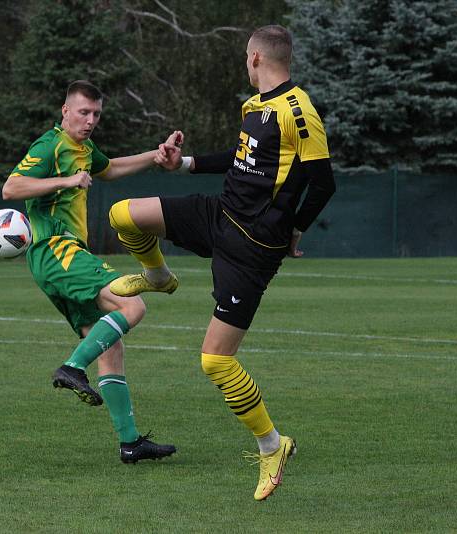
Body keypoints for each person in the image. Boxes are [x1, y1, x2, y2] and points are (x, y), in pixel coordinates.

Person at [107, 25, 336, 499]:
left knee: (215, 360)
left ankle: (272, 445)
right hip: (221, 213)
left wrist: (294, 229)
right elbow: (241, 159)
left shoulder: (299, 110)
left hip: (254, 247)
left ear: (255, 58)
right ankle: (157, 275)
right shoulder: (255, 107)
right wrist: (184, 163)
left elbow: (323, 181)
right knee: (123, 215)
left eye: (244, 58)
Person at [1, 80, 177, 464]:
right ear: (65, 111)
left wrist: (156, 155)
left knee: (110, 345)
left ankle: (130, 443)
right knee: (132, 307)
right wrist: (66, 180)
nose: (91, 120)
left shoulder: (84, 148)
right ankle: (71, 367)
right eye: (83, 112)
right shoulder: (50, 145)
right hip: (55, 249)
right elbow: (11, 188)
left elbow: (110, 168)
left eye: (96, 114)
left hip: (60, 258)